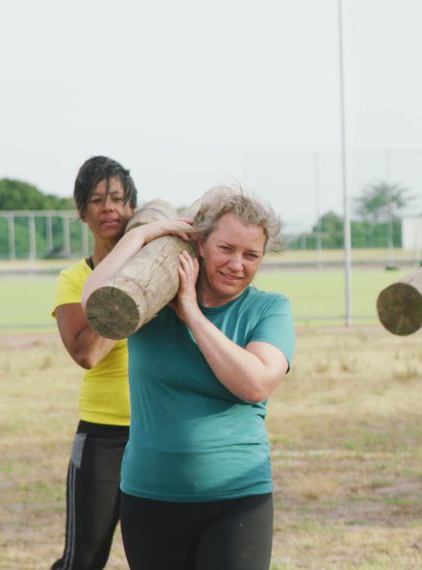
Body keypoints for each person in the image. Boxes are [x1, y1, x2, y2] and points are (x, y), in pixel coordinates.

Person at [82, 187, 295, 570]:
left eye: (251, 255)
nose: (236, 265)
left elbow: (255, 383)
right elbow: (94, 303)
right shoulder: (149, 302)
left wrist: (193, 315)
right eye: (226, 249)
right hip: (149, 496)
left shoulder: (269, 309)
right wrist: (142, 234)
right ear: (199, 244)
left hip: (237, 499)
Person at [52, 156, 138, 570]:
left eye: (118, 199)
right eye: (98, 200)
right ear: (82, 212)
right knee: (83, 560)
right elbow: (86, 352)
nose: (109, 208)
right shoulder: (74, 279)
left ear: (132, 209)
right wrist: (128, 294)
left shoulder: (157, 272)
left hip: (160, 434)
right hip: (103, 436)